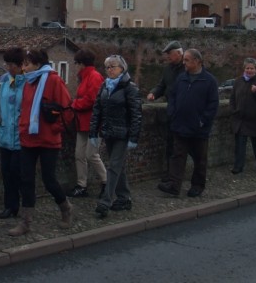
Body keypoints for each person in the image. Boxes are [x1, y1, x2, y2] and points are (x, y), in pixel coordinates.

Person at [8, 49, 73, 237]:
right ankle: (26, 222)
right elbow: (25, 108)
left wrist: (54, 129)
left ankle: (65, 207)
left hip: (48, 140)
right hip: (29, 138)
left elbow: (67, 110)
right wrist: (23, 126)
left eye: (27, 64)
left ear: (37, 64)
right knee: (26, 179)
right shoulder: (28, 82)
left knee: (49, 179)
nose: (24, 68)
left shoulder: (53, 80)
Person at [158, 49, 219, 198]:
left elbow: (213, 104)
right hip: (180, 124)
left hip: (198, 128)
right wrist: (172, 112)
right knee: (177, 156)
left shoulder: (209, 81)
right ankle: (174, 185)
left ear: (197, 61)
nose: (183, 63)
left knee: (199, 158)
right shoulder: (182, 78)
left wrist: (202, 121)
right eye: (184, 60)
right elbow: (172, 96)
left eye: (186, 60)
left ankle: (197, 185)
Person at [89, 55, 142, 218]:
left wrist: (133, 137)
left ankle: (105, 202)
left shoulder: (130, 88)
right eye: (107, 67)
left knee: (113, 166)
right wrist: (93, 132)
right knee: (118, 167)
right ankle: (124, 198)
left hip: (123, 134)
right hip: (109, 132)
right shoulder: (105, 86)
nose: (110, 70)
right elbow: (97, 109)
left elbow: (136, 114)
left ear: (122, 68)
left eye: (113, 66)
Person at [66, 49, 107, 199]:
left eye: (76, 63)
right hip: (83, 122)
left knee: (91, 154)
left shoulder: (94, 76)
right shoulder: (85, 77)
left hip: (93, 123)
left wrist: (74, 104)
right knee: (79, 154)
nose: (75, 66)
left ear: (81, 64)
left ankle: (107, 182)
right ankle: (81, 185)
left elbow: (92, 99)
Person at [147, 40, 185, 184]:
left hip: (183, 112)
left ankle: (177, 175)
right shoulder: (168, 69)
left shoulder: (187, 68)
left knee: (181, 146)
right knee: (170, 145)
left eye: (170, 53)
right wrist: (154, 93)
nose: (168, 56)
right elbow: (162, 85)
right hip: (171, 111)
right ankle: (171, 174)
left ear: (179, 53)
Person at [0, 47, 26, 219]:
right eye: (6, 64)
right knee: (7, 173)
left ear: (21, 65)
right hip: (5, 136)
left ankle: (24, 205)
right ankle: (10, 206)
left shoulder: (28, 83)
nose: (8, 68)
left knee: (18, 173)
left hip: (21, 138)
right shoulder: (3, 82)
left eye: (11, 65)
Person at [229, 57, 256, 174]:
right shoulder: (238, 82)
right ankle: (238, 166)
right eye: (247, 68)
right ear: (244, 69)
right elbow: (232, 98)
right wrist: (233, 110)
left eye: (252, 68)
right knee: (240, 144)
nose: (249, 70)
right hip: (241, 118)